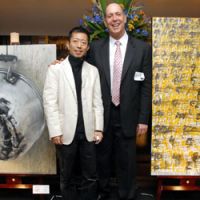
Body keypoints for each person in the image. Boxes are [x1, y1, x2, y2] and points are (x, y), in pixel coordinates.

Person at [87, 3, 152, 200]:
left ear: (125, 18)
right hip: (102, 115)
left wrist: (143, 119)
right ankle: (103, 194)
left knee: (127, 163)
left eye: (117, 15)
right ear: (105, 21)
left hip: (129, 115)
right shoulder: (95, 47)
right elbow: (82, 71)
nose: (114, 19)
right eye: (109, 16)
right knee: (102, 161)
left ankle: (128, 195)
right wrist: (60, 64)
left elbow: (146, 86)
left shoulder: (142, 49)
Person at [43, 26, 104, 200]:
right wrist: (55, 131)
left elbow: (97, 103)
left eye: (83, 43)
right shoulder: (56, 69)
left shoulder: (93, 71)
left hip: (88, 132)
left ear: (88, 47)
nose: (79, 46)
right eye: (75, 42)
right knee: (67, 175)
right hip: (65, 131)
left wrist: (98, 129)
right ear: (68, 44)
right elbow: (49, 102)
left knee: (90, 175)